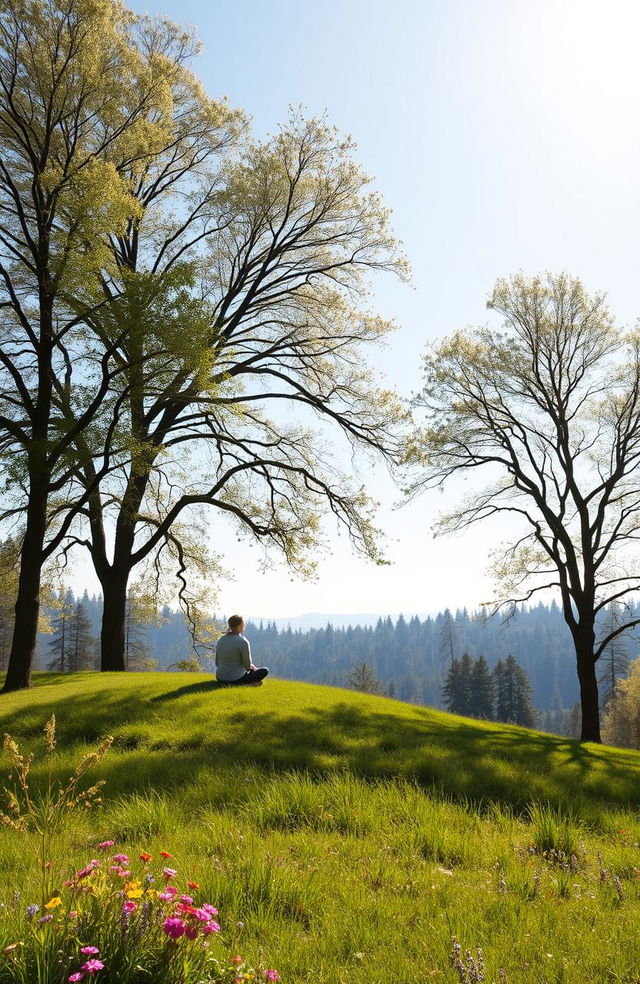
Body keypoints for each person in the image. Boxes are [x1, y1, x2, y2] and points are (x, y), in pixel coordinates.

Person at [215, 615, 269, 686]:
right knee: (265, 670)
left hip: (220, 678)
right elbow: (247, 667)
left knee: (253, 669)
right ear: (241, 625)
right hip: (236, 679)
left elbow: (217, 663)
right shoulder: (243, 641)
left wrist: (252, 666)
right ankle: (247, 685)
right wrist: (253, 668)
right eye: (244, 624)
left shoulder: (221, 639)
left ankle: (240, 684)